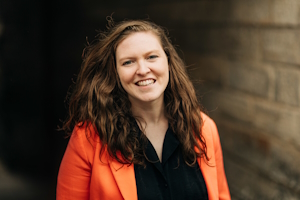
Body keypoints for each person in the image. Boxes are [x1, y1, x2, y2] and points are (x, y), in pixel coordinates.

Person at [57, 19, 230, 200]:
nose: (142, 69)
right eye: (128, 62)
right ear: (115, 72)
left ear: (168, 61)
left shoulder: (203, 128)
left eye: (151, 57)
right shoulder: (88, 139)